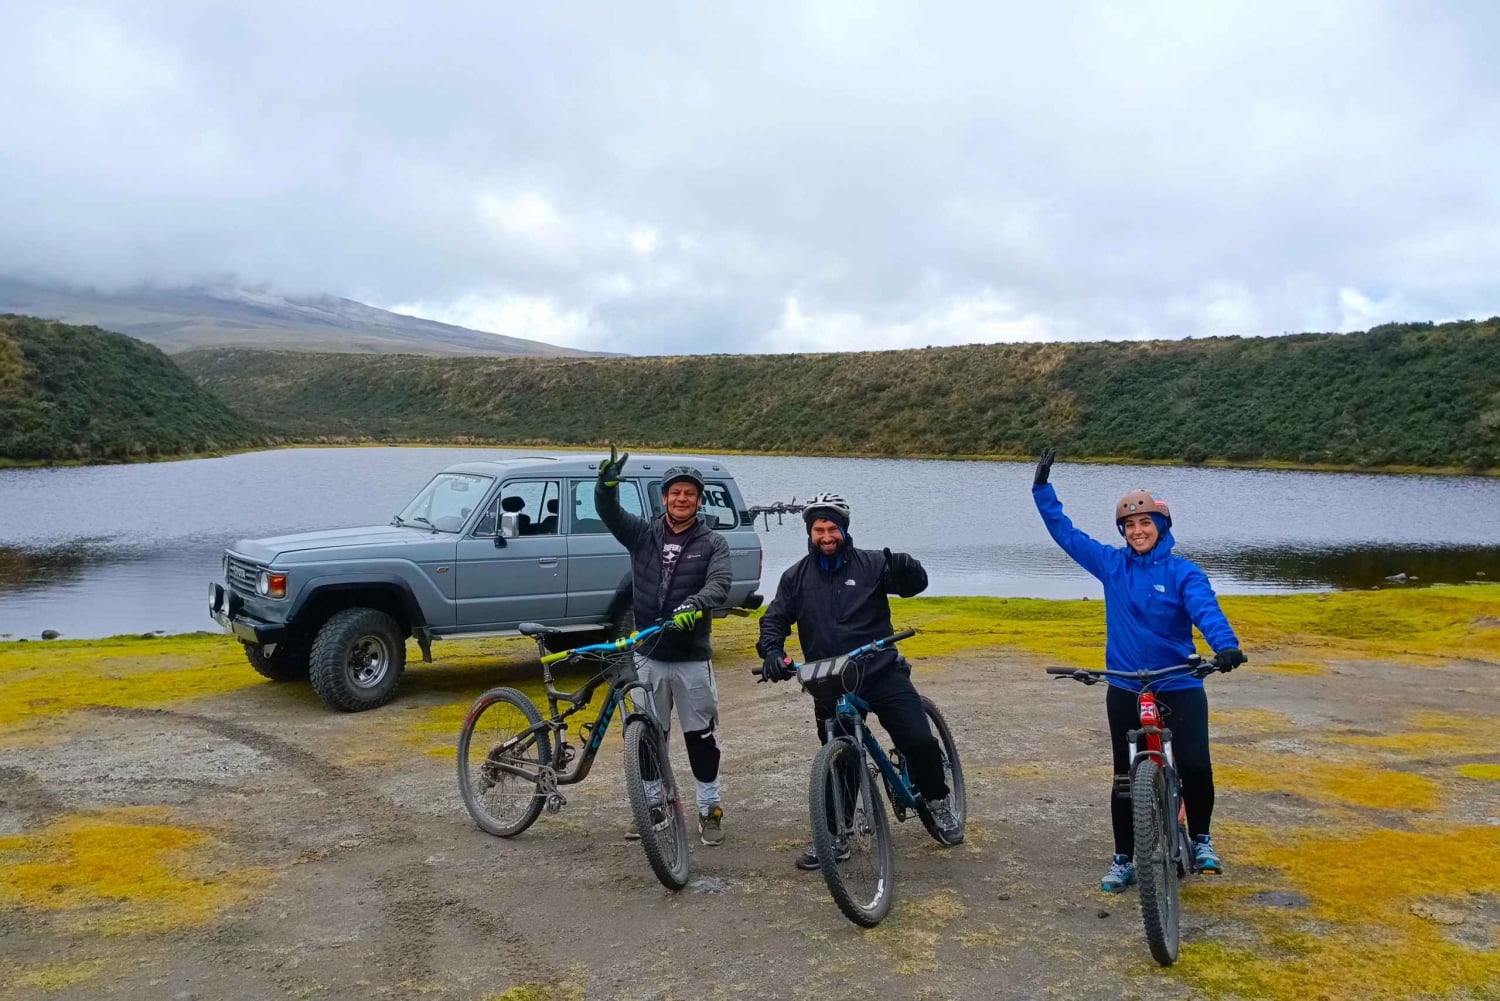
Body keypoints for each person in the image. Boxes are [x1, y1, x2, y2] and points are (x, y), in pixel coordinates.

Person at [1031, 448, 1246, 892]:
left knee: (1196, 765)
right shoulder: (1112, 565)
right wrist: (1042, 490)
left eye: (1145, 522)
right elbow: (1067, 535)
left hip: (1179, 681)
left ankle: (1201, 838)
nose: (1137, 530)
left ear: (1162, 526)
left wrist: (1224, 647)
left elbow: (1207, 611)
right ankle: (1124, 857)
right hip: (1126, 685)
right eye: (1129, 525)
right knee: (1123, 778)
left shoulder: (1184, 573)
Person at [757, 491, 963, 868]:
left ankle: (937, 801)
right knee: (839, 759)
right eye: (819, 529)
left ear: (844, 529)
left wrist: (905, 567)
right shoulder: (795, 577)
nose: (826, 536)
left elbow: (915, 584)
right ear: (810, 532)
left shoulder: (871, 564)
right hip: (829, 681)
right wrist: (772, 651)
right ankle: (836, 836)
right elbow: (774, 619)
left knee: (917, 739)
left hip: (880, 671)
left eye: (832, 528)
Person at [597, 445, 733, 846]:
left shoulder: (713, 543)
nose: (681, 498)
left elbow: (720, 583)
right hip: (648, 656)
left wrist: (697, 604)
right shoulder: (642, 535)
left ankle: (710, 810)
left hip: (691, 659)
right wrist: (605, 486)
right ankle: (654, 806)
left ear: (698, 499)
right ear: (664, 497)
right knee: (648, 735)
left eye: (689, 493)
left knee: (700, 738)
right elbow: (609, 513)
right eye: (675, 492)